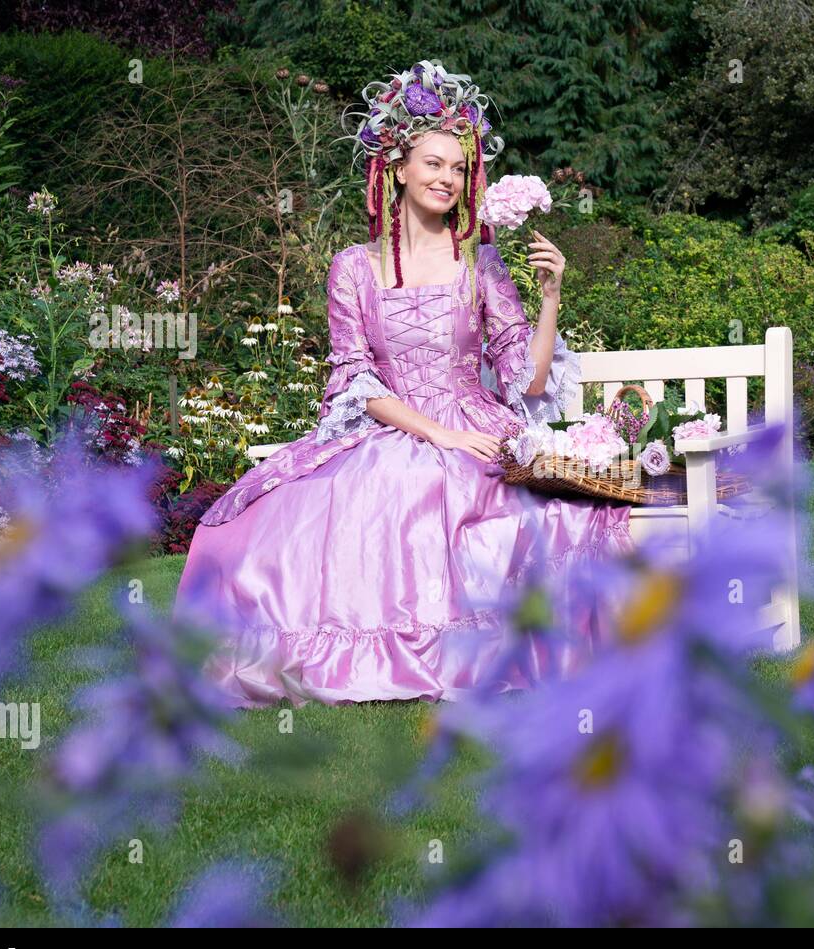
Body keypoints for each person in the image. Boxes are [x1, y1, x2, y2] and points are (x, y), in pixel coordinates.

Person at [174, 60, 635, 706]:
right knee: (305, 504)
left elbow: (526, 380)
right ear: (397, 167)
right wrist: (435, 432)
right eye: (434, 164)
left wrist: (551, 296)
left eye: (457, 167)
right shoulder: (353, 269)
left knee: (473, 492)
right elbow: (356, 380)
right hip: (392, 425)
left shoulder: (483, 262)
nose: (448, 178)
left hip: (477, 427)